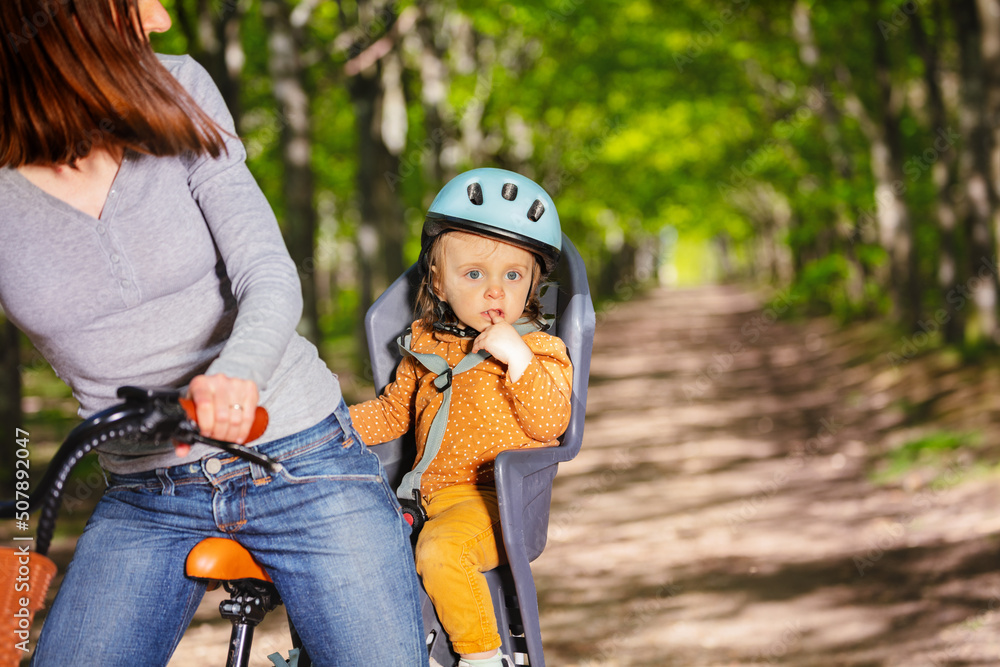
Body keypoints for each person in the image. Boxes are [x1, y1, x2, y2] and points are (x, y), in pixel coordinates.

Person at [0, 2, 428, 665]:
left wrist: (239, 371)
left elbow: (269, 272)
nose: (163, 17)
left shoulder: (177, 91)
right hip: (145, 491)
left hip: (297, 454)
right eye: (137, 2)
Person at [349, 168, 574, 667]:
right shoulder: (426, 346)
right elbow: (391, 415)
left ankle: (482, 657)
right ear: (439, 282)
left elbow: (551, 423)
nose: (495, 291)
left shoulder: (540, 350)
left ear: (534, 284)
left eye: (513, 276)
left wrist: (519, 360)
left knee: (441, 551)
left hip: (498, 504)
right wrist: (327, 427)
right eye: (474, 274)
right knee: (345, 549)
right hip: (424, 496)